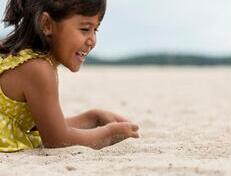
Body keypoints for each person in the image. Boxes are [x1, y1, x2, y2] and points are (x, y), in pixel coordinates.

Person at [0, 0, 139, 152]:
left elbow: (47, 126)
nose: (92, 41)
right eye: (85, 29)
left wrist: (93, 118)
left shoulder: (28, 61)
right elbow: (58, 139)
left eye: (96, 30)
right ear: (47, 24)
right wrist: (111, 134)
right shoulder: (38, 69)